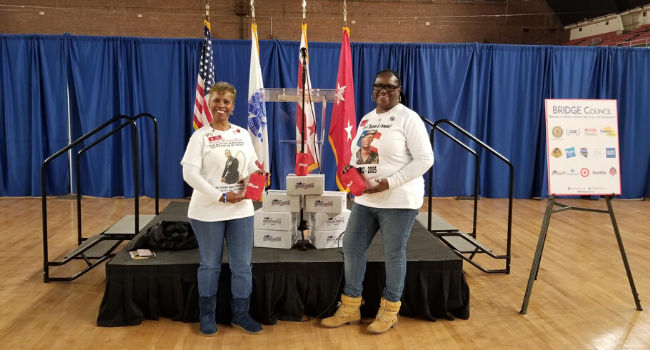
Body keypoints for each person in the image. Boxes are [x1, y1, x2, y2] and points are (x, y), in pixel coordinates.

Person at [321, 69, 434, 334]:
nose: (383, 91)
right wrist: (354, 178)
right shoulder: (366, 119)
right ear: (373, 90)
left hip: (398, 199)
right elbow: (360, 155)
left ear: (399, 90)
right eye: (378, 87)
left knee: (393, 254)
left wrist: (389, 182)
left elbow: (425, 159)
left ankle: (390, 309)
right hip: (366, 198)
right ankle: (350, 306)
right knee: (351, 247)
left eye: (389, 87)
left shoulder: (409, 118)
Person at [181, 82, 268, 336]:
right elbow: (189, 174)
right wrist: (220, 196)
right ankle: (207, 314)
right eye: (217, 100)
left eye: (226, 101)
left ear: (233, 105)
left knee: (243, 266)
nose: (221, 105)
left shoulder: (241, 134)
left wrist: (259, 173)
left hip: (240, 209)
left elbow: (251, 165)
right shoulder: (200, 136)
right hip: (207, 210)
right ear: (209, 103)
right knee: (210, 266)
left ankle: (241, 314)